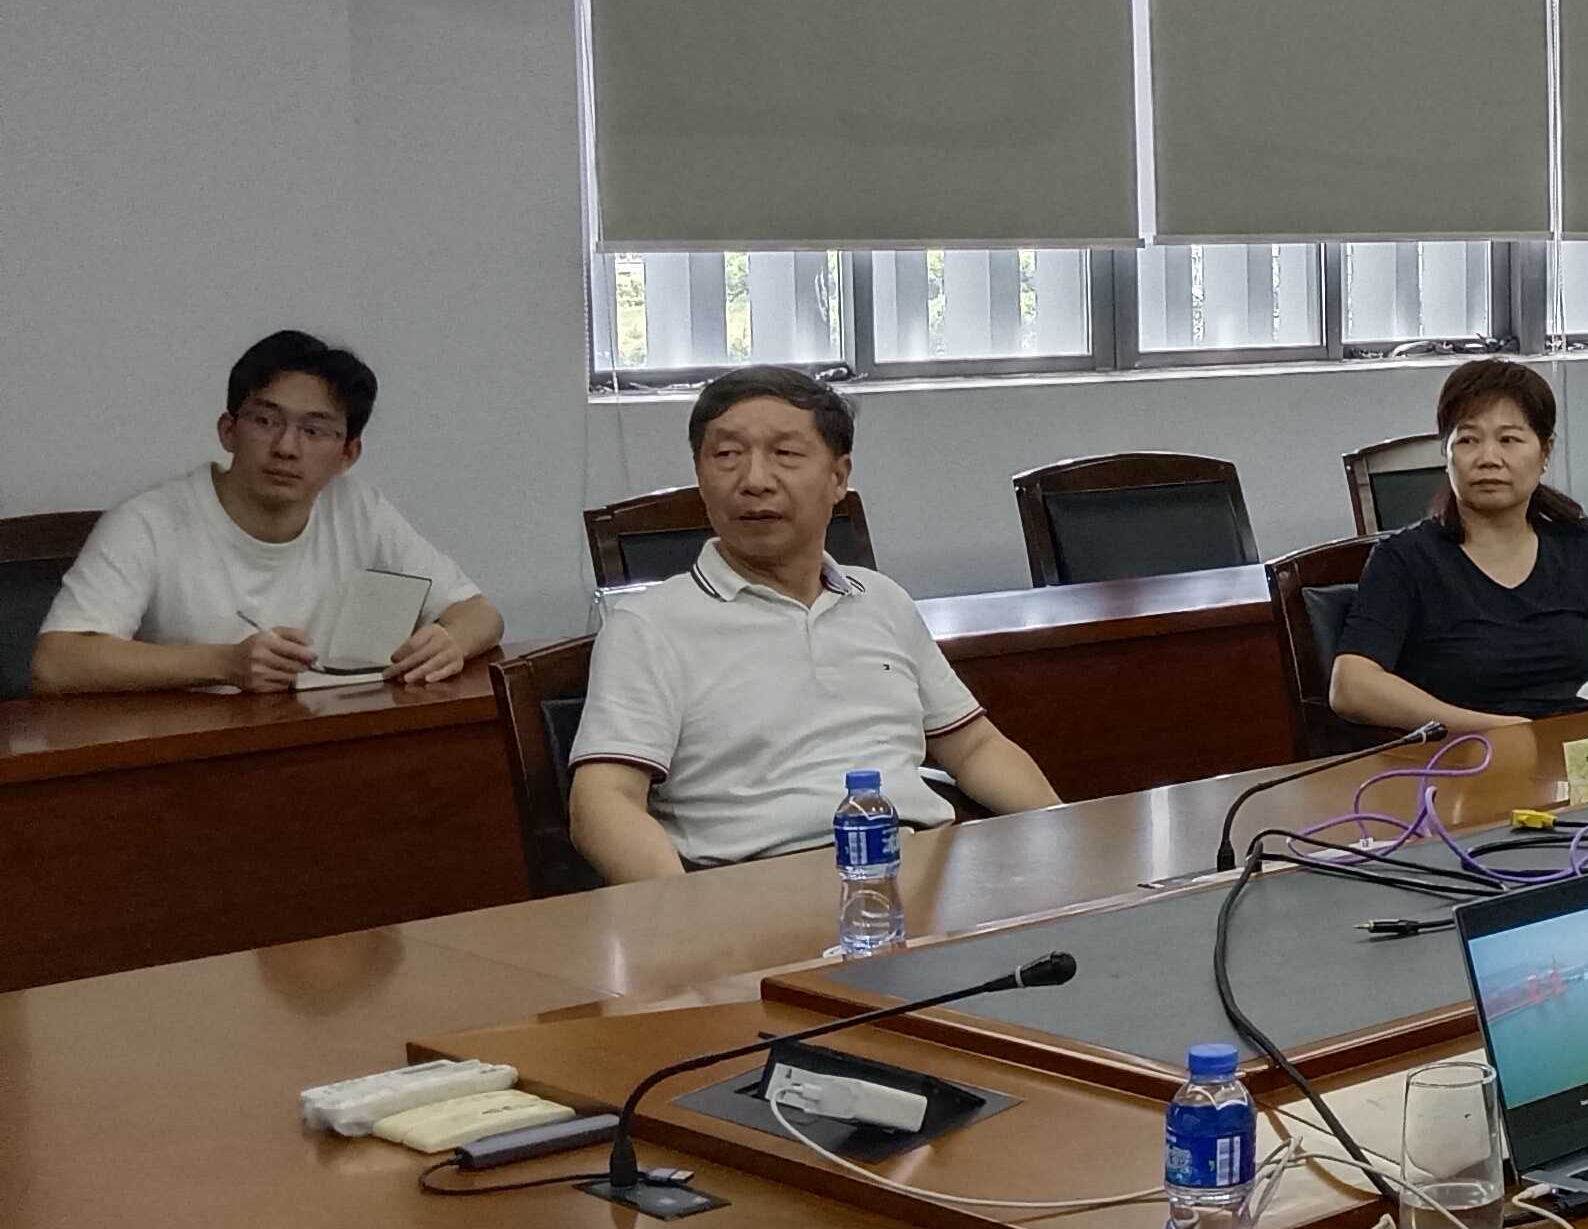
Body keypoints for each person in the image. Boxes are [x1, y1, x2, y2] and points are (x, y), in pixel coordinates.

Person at [569, 367, 1060, 882]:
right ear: (700, 475)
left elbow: (976, 748)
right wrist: (686, 911)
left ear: (838, 478)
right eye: (727, 455)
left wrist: (1063, 838)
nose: (754, 480)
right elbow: (602, 802)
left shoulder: (882, 600)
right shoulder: (648, 626)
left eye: (785, 453)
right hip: (759, 885)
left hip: (919, 868)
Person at [33, 329, 501, 694]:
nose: (286, 447)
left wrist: (451, 642)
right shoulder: (147, 522)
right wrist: (224, 664)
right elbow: (56, 662)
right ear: (228, 430)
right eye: (265, 420)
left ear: (348, 453)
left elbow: (480, 614)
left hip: (324, 740)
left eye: (314, 431)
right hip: (191, 755)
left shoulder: (358, 509)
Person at [1327, 358, 1588, 731]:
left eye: (1508, 440)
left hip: (1574, 750)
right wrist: (1493, 729)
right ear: (1446, 454)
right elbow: (1351, 686)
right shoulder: (1404, 560)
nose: (1488, 459)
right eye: (1468, 440)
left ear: (1545, 452)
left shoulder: (1580, 547)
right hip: (1466, 752)